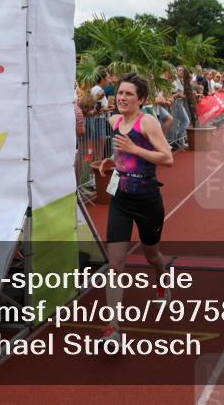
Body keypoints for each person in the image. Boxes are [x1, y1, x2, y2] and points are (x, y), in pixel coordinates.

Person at [99, 73, 174, 346]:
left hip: (147, 199)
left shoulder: (148, 122)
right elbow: (123, 154)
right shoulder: (114, 120)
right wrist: (111, 161)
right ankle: (112, 327)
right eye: (120, 93)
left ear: (141, 99)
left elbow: (168, 158)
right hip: (121, 199)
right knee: (115, 264)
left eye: (129, 94)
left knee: (151, 254)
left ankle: (162, 280)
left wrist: (134, 148)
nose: (122, 98)